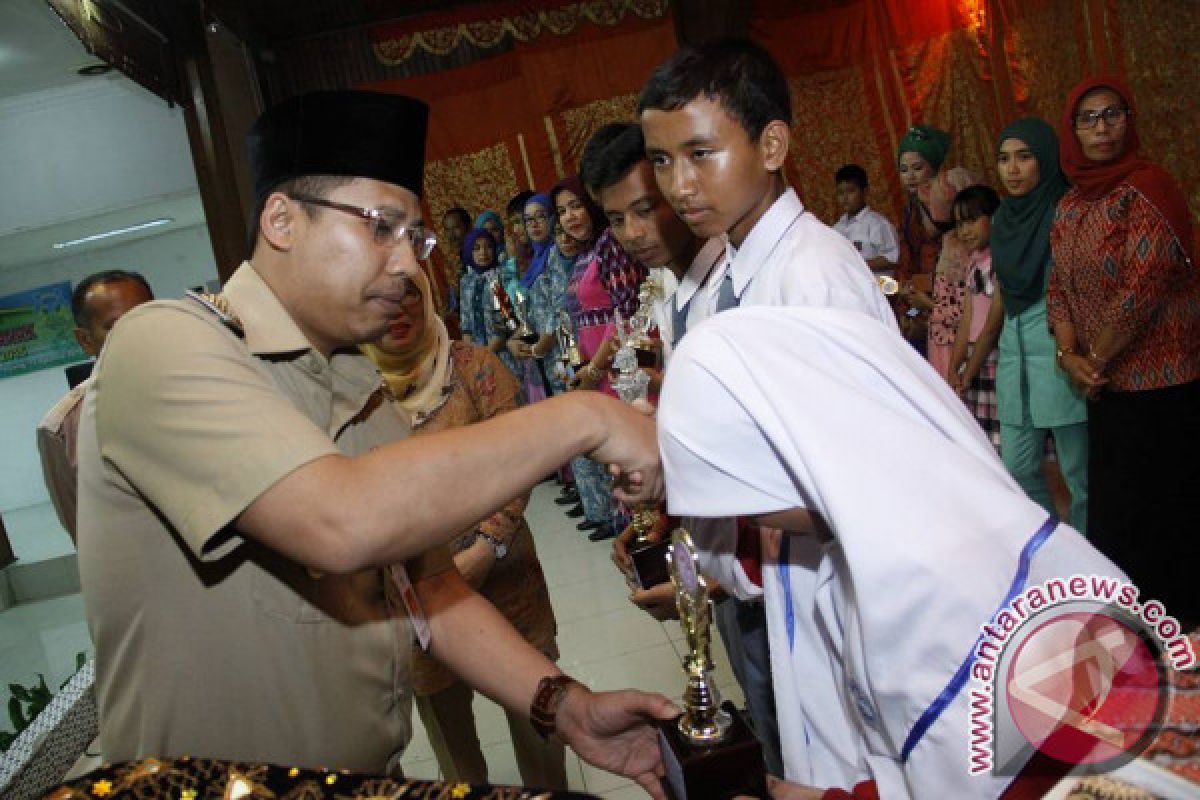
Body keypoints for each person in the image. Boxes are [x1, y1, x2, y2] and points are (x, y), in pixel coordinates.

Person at [74, 90, 673, 789]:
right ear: (282, 220)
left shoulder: (353, 382)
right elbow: (342, 520)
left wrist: (566, 706)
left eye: (413, 240)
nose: (406, 266)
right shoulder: (165, 343)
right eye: (381, 228)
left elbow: (434, 591)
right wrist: (587, 417)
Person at [657, 305, 1124, 797]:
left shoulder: (924, 576)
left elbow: (1007, 783)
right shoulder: (891, 535)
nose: (755, 524)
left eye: (750, 506)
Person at [638, 37, 897, 782]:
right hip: (795, 581)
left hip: (845, 598)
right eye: (662, 161)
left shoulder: (813, 277)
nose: (679, 185)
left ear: (773, 143)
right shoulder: (747, 269)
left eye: (700, 153)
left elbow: (861, 490)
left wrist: (681, 480)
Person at [580, 120, 782, 776]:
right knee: (760, 701)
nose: (634, 233)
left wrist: (715, 582)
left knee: (795, 729)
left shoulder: (742, 292)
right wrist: (657, 525)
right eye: (616, 218)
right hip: (720, 554)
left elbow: (769, 468)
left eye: (645, 208)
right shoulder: (667, 294)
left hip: (774, 567)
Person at [361, 267, 565, 788]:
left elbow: (520, 457)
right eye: (382, 299)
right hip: (419, 602)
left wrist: (487, 546)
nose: (399, 311)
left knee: (538, 721)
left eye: (410, 295)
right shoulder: (354, 391)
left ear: (427, 297)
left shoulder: (474, 365)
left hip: (505, 579)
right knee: (455, 753)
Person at [1048, 76, 1199, 623]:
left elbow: (1145, 282)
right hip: (1104, 387)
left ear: (1128, 122)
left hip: (1164, 381)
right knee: (1120, 507)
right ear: (1073, 131)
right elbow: (1058, 287)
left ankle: (1182, 619)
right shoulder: (1068, 206)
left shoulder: (1150, 187)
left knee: (1168, 504)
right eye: (1087, 118)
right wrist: (1070, 357)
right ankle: (1136, 616)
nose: (1101, 127)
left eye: (1112, 114)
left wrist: (1095, 360)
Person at [963, 118, 1089, 530]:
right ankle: (1059, 553)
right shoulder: (1004, 223)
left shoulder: (1067, 209)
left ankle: (1096, 568)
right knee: (1017, 468)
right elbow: (1000, 297)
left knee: (1079, 477)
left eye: (1024, 157)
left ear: (1045, 159)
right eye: (1003, 159)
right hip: (1014, 361)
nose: (1012, 169)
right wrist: (976, 359)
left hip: (1061, 357)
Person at [36, 270, 153, 542]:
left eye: (146, 316)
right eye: (115, 326)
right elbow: (83, 532)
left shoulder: (209, 383)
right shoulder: (61, 430)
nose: (137, 332)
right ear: (85, 340)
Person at [556, 174, 639, 540]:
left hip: (615, 370)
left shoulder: (610, 243)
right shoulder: (583, 252)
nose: (570, 217)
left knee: (629, 460)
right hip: (593, 371)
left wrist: (595, 367)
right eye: (562, 211)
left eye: (575, 205)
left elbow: (626, 312)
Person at [895, 125, 976, 370]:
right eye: (904, 170)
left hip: (952, 304)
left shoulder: (952, 202)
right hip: (920, 302)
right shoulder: (909, 212)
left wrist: (926, 305)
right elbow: (907, 262)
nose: (911, 176)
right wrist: (907, 304)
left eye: (918, 168)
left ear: (934, 167)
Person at [947, 184, 1002, 450]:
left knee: (998, 439)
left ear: (994, 218)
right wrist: (954, 367)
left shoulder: (1000, 263)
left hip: (993, 357)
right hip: (973, 356)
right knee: (978, 438)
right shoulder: (973, 263)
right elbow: (966, 321)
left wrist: (968, 370)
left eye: (971, 221)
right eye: (959, 224)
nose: (964, 231)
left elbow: (992, 326)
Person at [457, 227, 518, 379]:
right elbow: (466, 327)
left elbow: (508, 321)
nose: (483, 252)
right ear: (468, 252)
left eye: (488, 246)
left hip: (503, 354)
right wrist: (473, 358)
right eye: (476, 248)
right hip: (477, 360)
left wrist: (486, 355)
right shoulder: (466, 282)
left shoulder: (499, 277)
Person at [831, 164, 900, 276]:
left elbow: (892, 258)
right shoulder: (837, 228)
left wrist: (859, 265)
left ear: (865, 191)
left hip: (876, 287)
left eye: (851, 191)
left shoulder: (877, 224)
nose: (845, 197)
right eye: (840, 193)